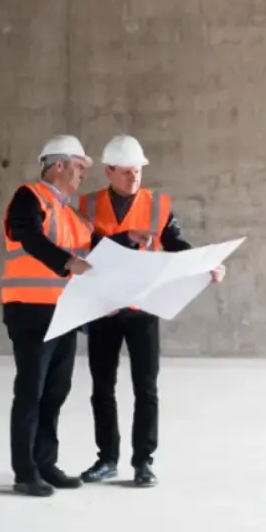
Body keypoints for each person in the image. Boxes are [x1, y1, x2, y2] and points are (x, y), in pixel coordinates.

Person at [76, 135, 221, 489]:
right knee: (102, 388)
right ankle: (107, 459)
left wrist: (205, 266)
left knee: (146, 388)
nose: (134, 177)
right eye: (126, 172)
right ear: (108, 171)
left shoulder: (158, 206)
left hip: (143, 308)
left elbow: (176, 245)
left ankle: (143, 462)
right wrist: (126, 238)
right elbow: (80, 247)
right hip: (104, 308)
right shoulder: (86, 206)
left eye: (138, 171)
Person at [1, 135, 96, 498]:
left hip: (64, 312)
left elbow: (96, 251)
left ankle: (45, 463)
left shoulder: (70, 214)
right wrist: (66, 262)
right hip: (30, 310)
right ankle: (25, 472)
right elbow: (27, 236)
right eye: (78, 168)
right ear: (58, 165)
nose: (82, 176)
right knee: (31, 390)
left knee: (55, 391)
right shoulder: (29, 197)